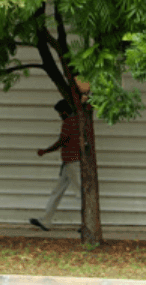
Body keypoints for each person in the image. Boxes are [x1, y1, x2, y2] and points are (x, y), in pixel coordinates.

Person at [29, 98, 93, 231]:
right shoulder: (79, 121)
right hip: (71, 163)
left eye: (59, 112)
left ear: (64, 111)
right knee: (57, 192)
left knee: (80, 193)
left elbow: (62, 141)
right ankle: (46, 220)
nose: (59, 115)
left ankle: (88, 222)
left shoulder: (69, 122)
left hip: (72, 163)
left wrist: (45, 151)